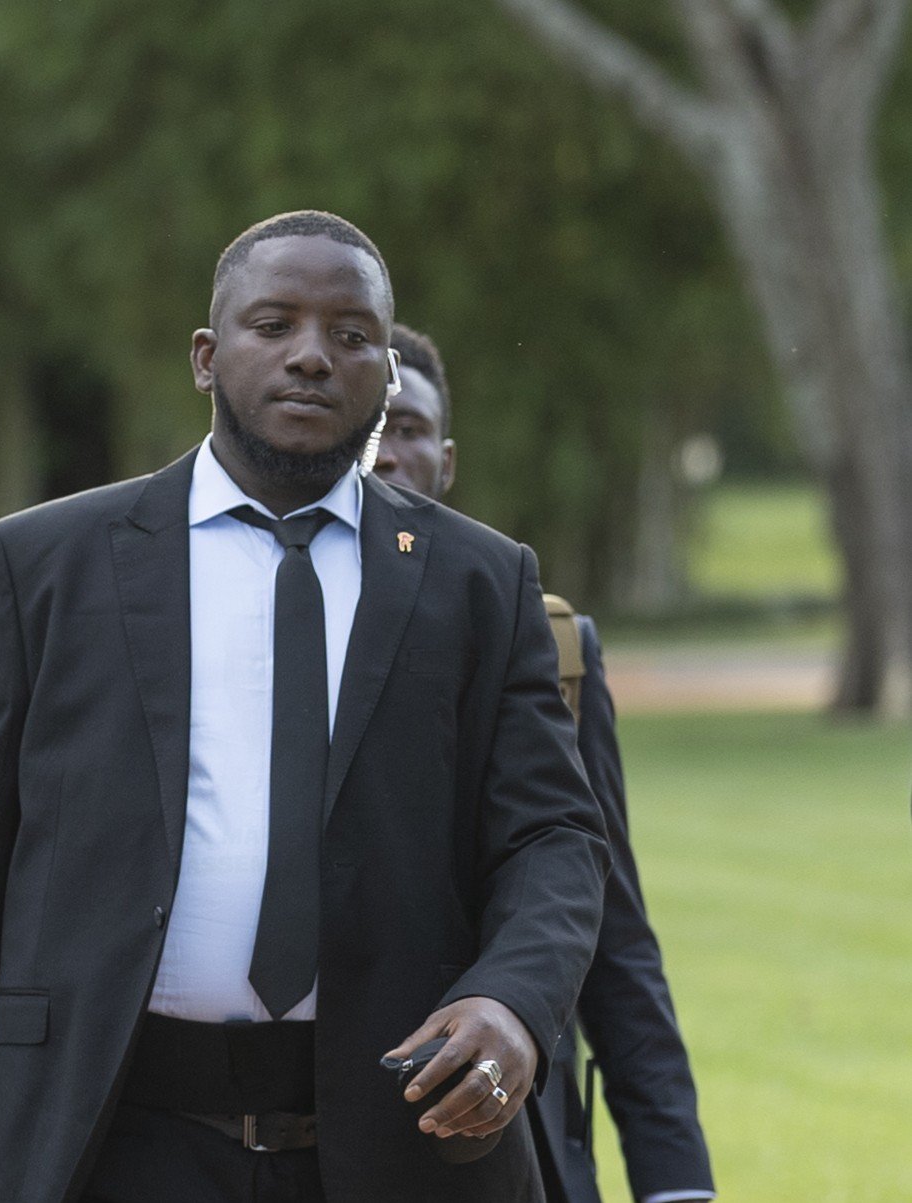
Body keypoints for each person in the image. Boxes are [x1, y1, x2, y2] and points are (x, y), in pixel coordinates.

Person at [0, 210, 610, 1202]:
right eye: (272, 325)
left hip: (396, 1142)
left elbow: (554, 836)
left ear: (386, 377)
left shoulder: (476, 580)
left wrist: (512, 1000)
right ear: (204, 355)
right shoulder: (45, 564)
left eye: (351, 336)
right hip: (112, 1139)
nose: (311, 357)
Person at [375, 324, 715, 1203]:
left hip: (519, 1138)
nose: (385, 452)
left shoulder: (551, 643)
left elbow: (616, 935)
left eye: (408, 427)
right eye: (368, 425)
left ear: (447, 461)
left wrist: (675, 1180)